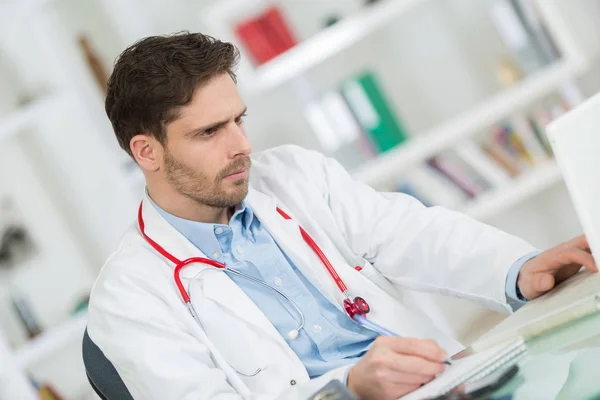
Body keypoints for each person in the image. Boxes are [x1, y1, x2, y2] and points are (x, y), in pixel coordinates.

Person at [87, 32, 597, 400]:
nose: (242, 145)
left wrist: (517, 269)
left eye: (239, 119)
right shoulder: (129, 297)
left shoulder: (292, 175)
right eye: (209, 132)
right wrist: (348, 391)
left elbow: (409, 231)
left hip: (444, 384)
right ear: (146, 151)